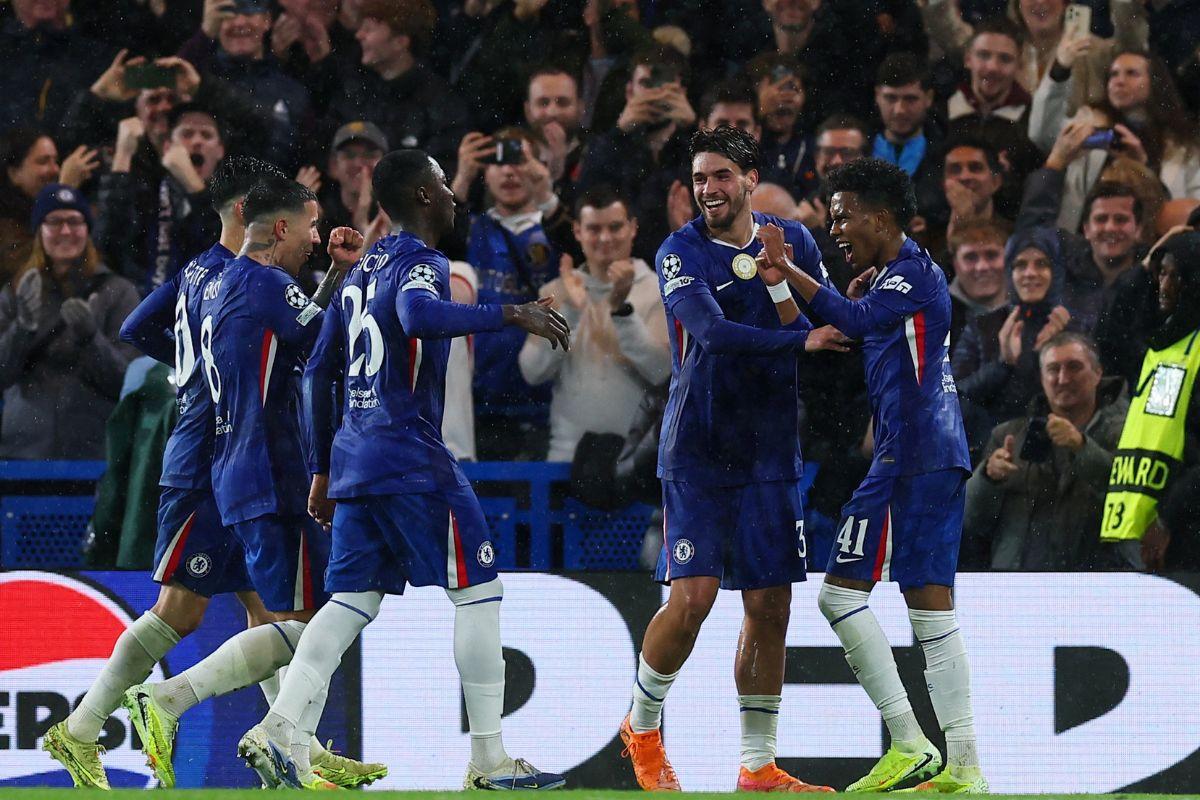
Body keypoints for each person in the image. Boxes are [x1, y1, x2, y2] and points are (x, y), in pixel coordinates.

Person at [238, 149, 570, 790]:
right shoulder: (422, 261)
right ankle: (489, 757)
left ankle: (281, 727)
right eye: (444, 185)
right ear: (422, 194)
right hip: (413, 457)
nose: (452, 197)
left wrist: (322, 466)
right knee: (478, 590)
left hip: (357, 459)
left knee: (348, 602)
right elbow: (418, 317)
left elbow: (314, 373)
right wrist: (511, 312)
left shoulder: (362, 270)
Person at [618, 125, 848, 794]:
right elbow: (712, 334)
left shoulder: (793, 241)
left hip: (771, 448)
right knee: (694, 599)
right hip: (700, 446)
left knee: (770, 605)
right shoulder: (678, 252)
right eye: (699, 178)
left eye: (721, 175)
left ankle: (757, 767)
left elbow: (810, 325)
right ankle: (642, 727)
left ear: (751, 178)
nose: (708, 189)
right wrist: (799, 342)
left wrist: (782, 283)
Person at [42, 156, 277, 789]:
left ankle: (289, 747)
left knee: (270, 609)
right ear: (244, 214)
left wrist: (190, 366)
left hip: (216, 459)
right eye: (272, 214)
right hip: (209, 464)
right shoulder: (242, 278)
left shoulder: (197, 270)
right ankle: (84, 726)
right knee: (186, 611)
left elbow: (133, 326)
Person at [761, 157, 987, 793]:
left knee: (840, 595)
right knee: (930, 610)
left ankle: (911, 742)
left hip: (910, 456)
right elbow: (834, 327)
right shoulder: (895, 276)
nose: (835, 228)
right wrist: (790, 285)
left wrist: (786, 266)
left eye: (844, 216)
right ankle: (964, 766)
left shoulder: (913, 274)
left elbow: (854, 322)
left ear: (881, 217)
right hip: (931, 453)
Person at [519, 186, 670, 461]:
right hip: (566, 457)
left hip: (636, 461)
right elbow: (532, 371)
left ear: (633, 228)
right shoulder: (556, 290)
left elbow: (662, 371)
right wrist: (570, 311)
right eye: (594, 229)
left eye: (614, 227)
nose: (604, 238)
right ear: (577, 231)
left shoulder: (659, 291)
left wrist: (621, 310)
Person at [964, 332, 1127, 570]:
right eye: (1053, 369)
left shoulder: (1126, 432)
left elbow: (1127, 500)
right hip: (1017, 585)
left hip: (1095, 584)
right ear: (1042, 378)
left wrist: (1082, 448)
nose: (1063, 378)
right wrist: (988, 478)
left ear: (1098, 373)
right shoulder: (1007, 435)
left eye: (1074, 367)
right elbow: (971, 521)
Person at [0, 184, 140, 460]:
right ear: (40, 230)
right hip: (23, 455)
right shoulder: (16, 292)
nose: (65, 231)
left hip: (96, 454)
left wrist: (91, 339)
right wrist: (22, 329)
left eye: (75, 221)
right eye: (54, 221)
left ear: (88, 229)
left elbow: (127, 383)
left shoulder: (118, 291)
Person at [1100, 231, 1200, 572]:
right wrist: (1142, 271)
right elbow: (1111, 336)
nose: (1164, 285)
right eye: (1161, 273)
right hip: (1136, 529)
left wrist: (1167, 520)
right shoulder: (1163, 347)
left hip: (1183, 535)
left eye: (1175, 275)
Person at [954, 226, 1074, 439]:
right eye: (1020, 265)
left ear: (1055, 271)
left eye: (1041, 264)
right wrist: (1003, 365)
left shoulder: (1070, 327)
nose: (1030, 273)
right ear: (1010, 271)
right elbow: (955, 397)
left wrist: (1048, 353)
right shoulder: (982, 326)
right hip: (991, 448)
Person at [323, 0, 469, 174]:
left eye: (369, 29)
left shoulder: (440, 102)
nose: (359, 35)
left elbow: (439, 173)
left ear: (400, 41)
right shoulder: (357, 92)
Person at [94, 104, 227, 294]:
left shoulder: (232, 201)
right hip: (139, 306)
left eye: (206, 135)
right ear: (167, 147)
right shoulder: (147, 192)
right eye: (187, 134)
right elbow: (107, 243)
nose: (197, 141)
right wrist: (122, 155)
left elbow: (226, 252)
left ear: (220, 150)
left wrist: (193, 185)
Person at [177, 0, 313, 171]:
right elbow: (173, 81)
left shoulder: (293, 90)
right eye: (229, 14)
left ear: (267, 21)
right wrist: (204, 36)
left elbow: (306, 154)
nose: (239, 22)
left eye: (249, 12)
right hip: (212, 194)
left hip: (274, 193)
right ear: (214, 23)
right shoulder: (201, 78)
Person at [0, 127, 98, 287]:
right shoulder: (5, 225)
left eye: (55, 161)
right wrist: (62, 194)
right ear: (14, 173)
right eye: (43, 161)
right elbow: (26, 279)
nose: (56, 169)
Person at [946, 219, 1011, 348]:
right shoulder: (935, 314)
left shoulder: (1030, 306)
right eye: (970, 257)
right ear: (956, 264)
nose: (982, 267)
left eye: (991, 255)